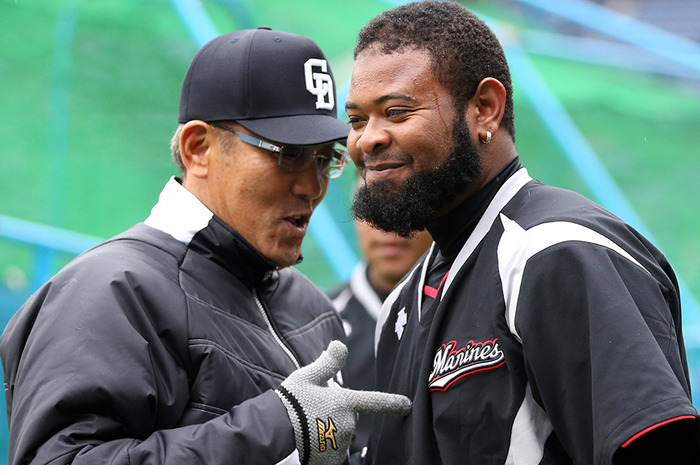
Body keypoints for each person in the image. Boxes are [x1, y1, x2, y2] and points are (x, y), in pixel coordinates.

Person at [0, 27, 410, 465]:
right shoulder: (109, 290)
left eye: (325, 158)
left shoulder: (311, 304)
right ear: (198, 148)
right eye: (289, 154)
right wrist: (275, 425)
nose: (312, 185)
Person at [343, 2, 700, 464]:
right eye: (356, 120)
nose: (367, 138)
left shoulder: (559, 253)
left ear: (485, 109)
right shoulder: (401, 303)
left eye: (396, 111)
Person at [328, 207, 432, 461]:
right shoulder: (319, 322)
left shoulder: (476, 307)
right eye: (371, 206)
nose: (388, 224)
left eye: (403, 204)